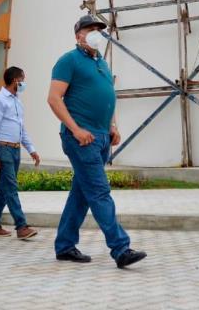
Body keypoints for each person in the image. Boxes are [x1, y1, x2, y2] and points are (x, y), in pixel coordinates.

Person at [48, 15, 147, 269]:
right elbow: (54, 99)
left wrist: (112, 126)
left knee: (81, 194)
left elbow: (108, 96)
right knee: (100, 191)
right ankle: (120, 248)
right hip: (82, 138)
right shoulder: (68, 60)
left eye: (98, 29)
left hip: (101, 137)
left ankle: (65, 246)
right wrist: (76, 130)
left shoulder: (101, 62)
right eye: (90, 28)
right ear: (78, 35)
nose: (95, 32)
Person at [0, 66, 40, 240]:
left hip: (15, 149)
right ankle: (21, 226)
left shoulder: (17, 101)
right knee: (11, 188)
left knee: (4, 188)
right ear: (15, 80)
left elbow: (21, 129)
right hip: (3, 149)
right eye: (22, 79)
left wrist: (31, 149)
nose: (24, 83)